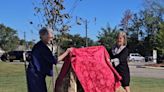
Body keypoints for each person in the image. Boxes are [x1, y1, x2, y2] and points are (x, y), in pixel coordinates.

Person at [27, 27, 72, 92]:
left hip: (37, 74)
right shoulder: (42, 47)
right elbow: (55, 60)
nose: (52, 37)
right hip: (35, 75)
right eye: (50, 35)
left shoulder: (40, 45)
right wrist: (67, 52)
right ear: (43, 35)